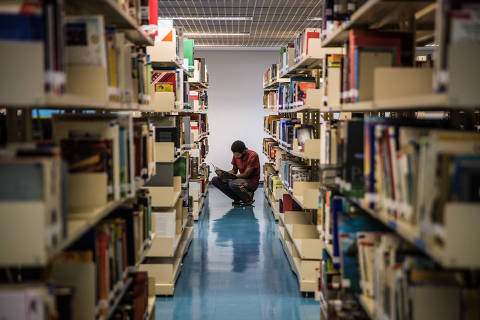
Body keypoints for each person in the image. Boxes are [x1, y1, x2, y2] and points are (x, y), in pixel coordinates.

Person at [211, 140, 260, 206]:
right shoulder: (235, 155)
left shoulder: (253, 155)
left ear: (244, 151)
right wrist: (223, 174)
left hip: (251, 182)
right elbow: (234, 170)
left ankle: (248, 199)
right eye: (234, 154)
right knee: (215, 180)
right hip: (240, 179)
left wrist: (232, 177)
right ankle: (237, 198)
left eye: (238, 155)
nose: (236, 157)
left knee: (232, 183)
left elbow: (246, 175)